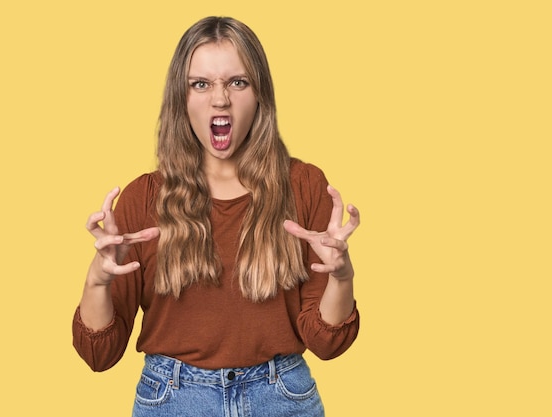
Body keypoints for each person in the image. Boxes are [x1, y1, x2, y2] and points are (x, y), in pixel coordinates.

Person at [72, 16, 360, 417]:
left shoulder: (304, 185)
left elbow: (329, 343)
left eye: (237, 82)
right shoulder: (142, 198)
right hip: (171, 400)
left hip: (281, 397)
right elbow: (99, 355)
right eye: (201, 84)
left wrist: (341, 277)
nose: (220, 99)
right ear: (182, 98)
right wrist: (97, 280)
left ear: (260, 94)